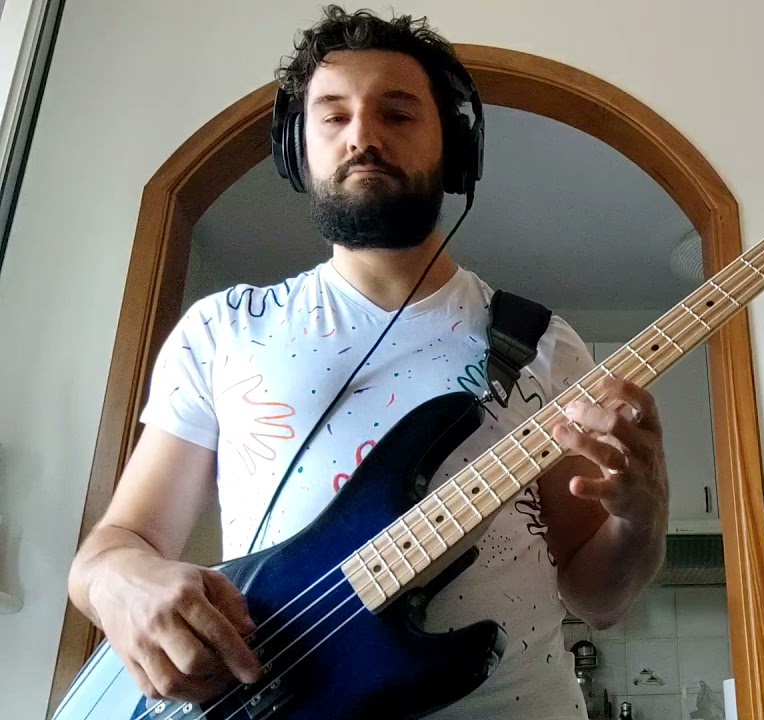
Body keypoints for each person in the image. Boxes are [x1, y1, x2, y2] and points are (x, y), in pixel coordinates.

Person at [65, 6, 670, 719]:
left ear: (455, 149)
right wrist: (121, 581)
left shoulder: (541, 343)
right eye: (333, 115)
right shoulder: (223, 329)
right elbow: (117, 546)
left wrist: (642, 518)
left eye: (398, 113)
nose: (362, 136)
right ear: (297, 149)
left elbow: (596, 598)